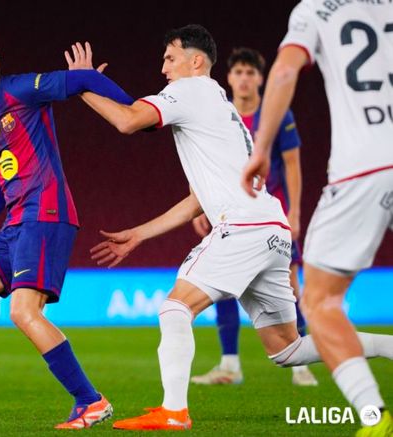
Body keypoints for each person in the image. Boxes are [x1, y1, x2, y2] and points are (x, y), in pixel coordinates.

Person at [66, 24, 393, 431]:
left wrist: (81, 86)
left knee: (174, 309)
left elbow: (129, 120)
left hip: (243, 227)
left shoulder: (191, 90)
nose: (163, 68)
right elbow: (197, 200)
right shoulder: (219, 105)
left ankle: (174, 411)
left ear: (195, 61)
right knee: (287, 350)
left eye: (170, 58)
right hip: (271, 230)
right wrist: (140, 233)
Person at [0, 28, 134, 429]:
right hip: (16, 222)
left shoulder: (20, 90)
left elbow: (82, 79)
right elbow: (4, 177)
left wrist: (137, 110)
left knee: (23, 311)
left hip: (47, 214)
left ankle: (90, 401)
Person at [241, 1, 393, 435]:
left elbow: (284, 72)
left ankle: (373, 417)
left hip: (364, 166)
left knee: (320, 303)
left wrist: (261, 147)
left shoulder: (316, 8)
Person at [191, 47, 317, 387]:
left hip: (271, 214)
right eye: (239, 72)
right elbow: (206, 164)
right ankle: (230, 365)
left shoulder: (276, 115)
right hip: (229, 213)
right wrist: (201, 205)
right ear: (229, 78)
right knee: (222, 284)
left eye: (250, 72)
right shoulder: (221, 115)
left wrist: (295, 212)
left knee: (289, 286)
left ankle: (301, 365)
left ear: (260, 78)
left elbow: (292, 164)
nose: (244, 79)